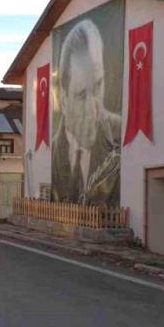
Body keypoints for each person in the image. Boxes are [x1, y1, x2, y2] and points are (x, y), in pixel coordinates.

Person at [52, 19, 121, 205]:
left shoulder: (120, 137)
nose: (93, 109)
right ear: (64, 100)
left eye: (98, 86)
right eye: (82, 96)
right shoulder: (52, 153)